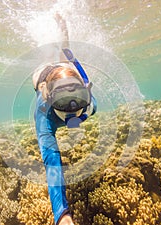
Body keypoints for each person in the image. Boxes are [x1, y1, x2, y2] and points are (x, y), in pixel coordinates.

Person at [32, 14, 97, 225]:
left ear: (85, 93)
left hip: (65, 73)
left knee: (66, 55)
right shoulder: (44, 113)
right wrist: (62, 215)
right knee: (46, 63)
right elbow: (53, 165)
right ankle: (48, 44)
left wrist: (84, 114)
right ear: (50, 100)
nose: (72, 109)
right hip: (43, 77)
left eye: (77, 99)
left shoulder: (88, 104)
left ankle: (63, 32)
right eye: (63, 101)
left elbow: (89, 106)